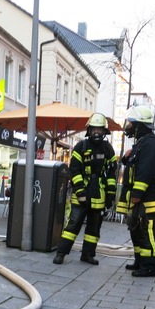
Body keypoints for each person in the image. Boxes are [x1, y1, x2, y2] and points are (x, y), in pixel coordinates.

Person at [53, 113, 117, 265]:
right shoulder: (81, 147)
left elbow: (112, 174)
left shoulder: (108, 149)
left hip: (99, 194)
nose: (96, 132)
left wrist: (110, 195)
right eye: (94, 129)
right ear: (89, 130)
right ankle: (61, 253)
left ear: (104, 131)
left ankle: (87, 255)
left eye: (100, 130)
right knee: (73, 225)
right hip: (83, 192)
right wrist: (80, 191)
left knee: (94, 229)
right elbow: (74, 171)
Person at [117, 105, 155, 277]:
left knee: (147, 230)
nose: (128, 126)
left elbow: (145, 171)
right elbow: (133, 167)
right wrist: (126, 158)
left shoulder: (152, 143)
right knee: (136, 230)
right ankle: (140, 261)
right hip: (139, 198)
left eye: (131, 123)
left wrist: (137, 193)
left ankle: (150, 266)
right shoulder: (142, 143)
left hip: (146, 198)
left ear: (139, 125)